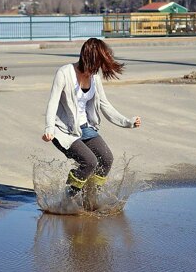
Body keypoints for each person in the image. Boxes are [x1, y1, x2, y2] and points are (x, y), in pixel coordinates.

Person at [42, 38, 141, 207]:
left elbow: (104, 104)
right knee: (89, 161)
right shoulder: (64, 72)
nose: (99, 69)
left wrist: (127, 122)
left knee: (106, 159)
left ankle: (90, 197)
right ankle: (68, 197)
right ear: (89, 57)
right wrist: (49, 128)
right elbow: (52, 102)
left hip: (85, 128)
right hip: (63, 130)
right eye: (98, 62)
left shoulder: (94, 77)